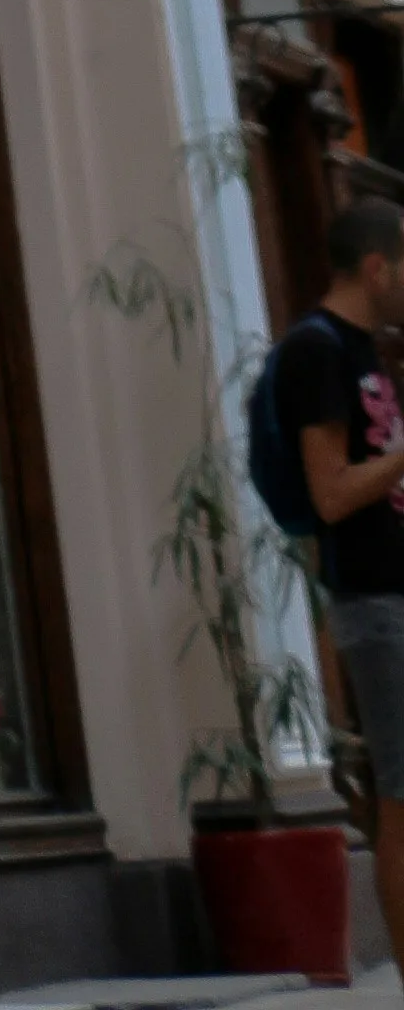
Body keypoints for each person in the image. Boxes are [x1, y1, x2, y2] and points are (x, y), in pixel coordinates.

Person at [274, 187, 404, 965]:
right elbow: (330, 491)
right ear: (378, 267)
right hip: (376, 605)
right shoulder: (318, 351)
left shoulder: (366, 353)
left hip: (396, 593)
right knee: (401, 793)